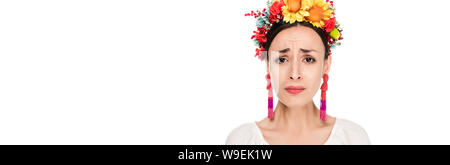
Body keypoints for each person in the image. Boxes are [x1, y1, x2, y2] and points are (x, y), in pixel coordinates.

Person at [226, 0, 370, 145]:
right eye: (282, 60)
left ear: (326, 65)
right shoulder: (242, 141)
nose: (294, 74)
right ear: (268, 65)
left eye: (308, 59)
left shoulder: (353, 138)